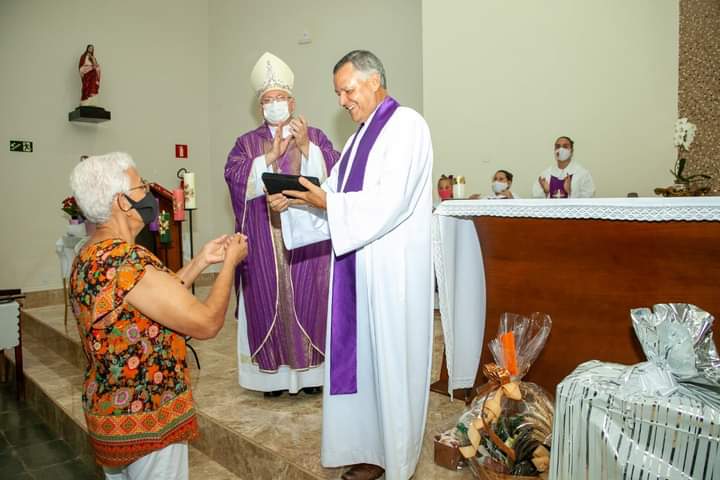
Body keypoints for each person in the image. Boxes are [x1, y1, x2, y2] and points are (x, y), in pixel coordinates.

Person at [268, 50, 433, 480]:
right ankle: (368, 448)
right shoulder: (360, 138)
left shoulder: (407, 126)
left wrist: (324, 201)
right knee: (362, 364)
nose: (342, 100)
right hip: (356, 269)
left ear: (374, 81)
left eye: (347, 90)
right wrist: (295, 201)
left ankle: (395, 455)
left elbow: (389, 201)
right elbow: (333, 193)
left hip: (391, 273)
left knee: (390, 365)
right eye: (338, 93)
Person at [69, 152, 247, 479]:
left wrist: (201, 260)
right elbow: (207, 322)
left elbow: (150, 299)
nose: (149, 193)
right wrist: (230, 265)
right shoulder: (128, 260)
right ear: (122, 202)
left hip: (109, 411)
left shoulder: (91, 253)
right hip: (149, 413)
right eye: (141, 186)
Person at [224, 52, 339, 396]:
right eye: (267, 100)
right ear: (260, 106)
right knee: (266, 299)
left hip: (308, 244)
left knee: (310, 299)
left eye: (280, 98)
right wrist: (268, 158)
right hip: (264, 238)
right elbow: (234, 177)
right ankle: (270, 379)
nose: (274, 104)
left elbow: (335, 175)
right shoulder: (247, 143)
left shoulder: (314, 136)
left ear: (292, 102)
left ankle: (313, 375)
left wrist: (306, 148)